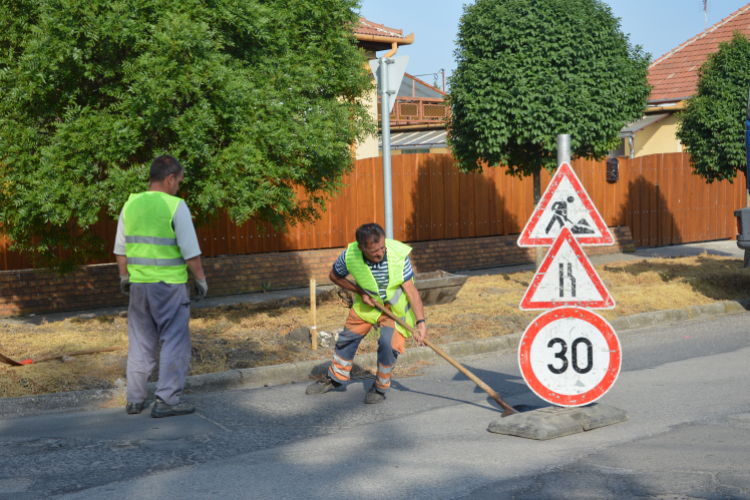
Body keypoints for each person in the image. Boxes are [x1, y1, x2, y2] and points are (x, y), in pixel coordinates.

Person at [114, 155, 208, 418]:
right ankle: (166, 400)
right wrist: (200, 280)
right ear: (169, 179)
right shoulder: (175, 206)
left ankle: (134, 400)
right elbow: (191, 253)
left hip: (139, 286)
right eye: (178, 181)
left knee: (141, 343)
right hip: (169, 288)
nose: (178, 186)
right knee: (174, 341)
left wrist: (124, 278)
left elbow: (120, 249)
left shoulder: (130, 204)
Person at [306, 223, 428, 404]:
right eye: (374, 251)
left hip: (393, 309)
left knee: (388, 344)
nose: (380, 253)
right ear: (362, 248)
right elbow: (334, 276)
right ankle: (335, 378)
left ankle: (380, 387)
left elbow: (411, 291)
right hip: (367, 304)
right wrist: (359, 291)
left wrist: (421, 323)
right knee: (346, 339)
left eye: (382, 248)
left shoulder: (398, 255)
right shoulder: (351, 255)